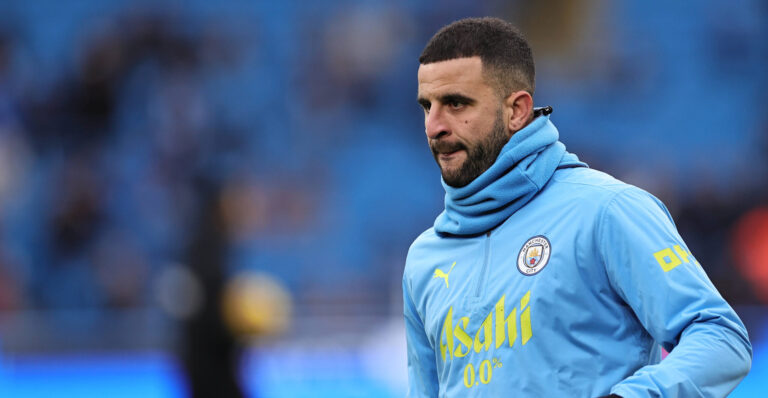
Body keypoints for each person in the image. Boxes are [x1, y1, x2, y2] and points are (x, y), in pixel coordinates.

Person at [402, 17, 751, 397]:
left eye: (455, 103)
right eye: (427, 106)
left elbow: (720, 337)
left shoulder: (606, 211)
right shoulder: (424, 260)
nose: (434, 125)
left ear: (517, 110)